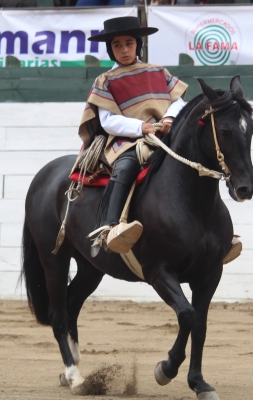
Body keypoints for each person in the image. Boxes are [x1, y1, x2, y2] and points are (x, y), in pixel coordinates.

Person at [78, 16, 187, 255]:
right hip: (127, 141)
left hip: (165, 135)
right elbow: (108, 122)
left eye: (129, 43)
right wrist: (142, 128)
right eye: (117, 45)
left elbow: (178, 102)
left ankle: (217, 229)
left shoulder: (158, 71)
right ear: (110, 49)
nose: (124, 49)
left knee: (196, 158)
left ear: (138, 44)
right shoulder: (104, 80)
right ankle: (110, 225)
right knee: (126, 167)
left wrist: (168, 117)